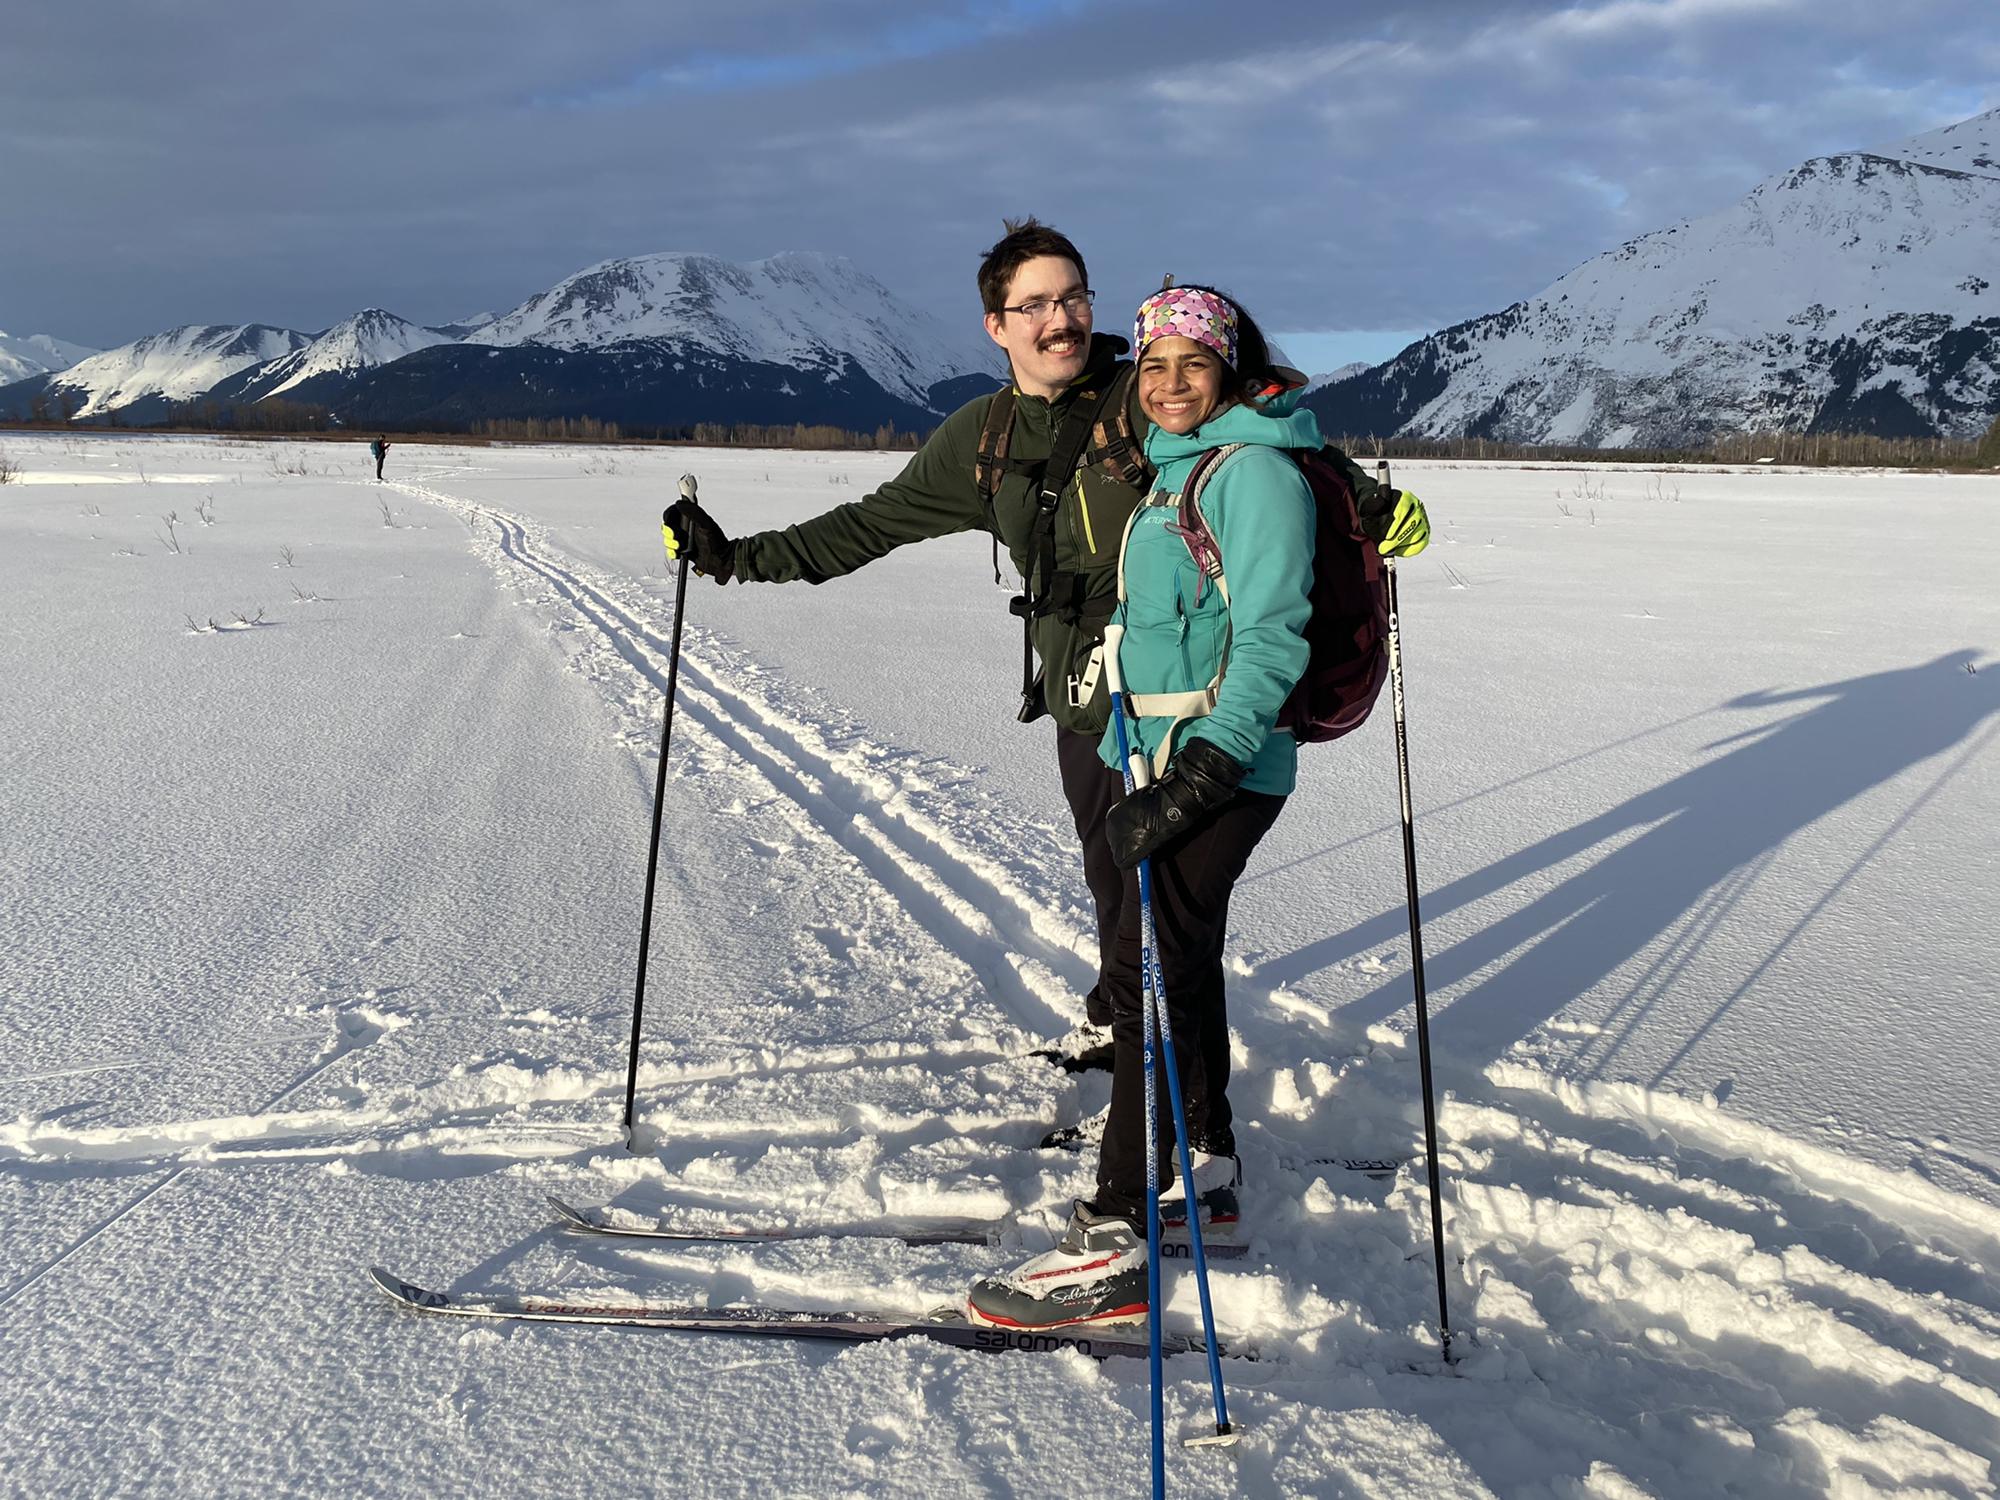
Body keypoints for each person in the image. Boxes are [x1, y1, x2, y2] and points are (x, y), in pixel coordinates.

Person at [963, 285, 1432, 1330]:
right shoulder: (1185, 463)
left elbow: (1272, 638)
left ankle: (1118, 1227)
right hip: (1173, 756)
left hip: (1219, 767)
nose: (1170, 382)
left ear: (1231, 369)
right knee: (1172, 960)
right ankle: (1205, 1177)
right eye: (1155, 363)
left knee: (1144, 984)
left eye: (1194, 363)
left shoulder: (1249, 472)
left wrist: (1200, 774)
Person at [665, 220, 1157, 1060]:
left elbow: (1267, 458)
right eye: (1034, 303)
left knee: (1157, 896)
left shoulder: (1149, 397)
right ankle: (1119, 1027)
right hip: (1081, 693)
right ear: (997, 326)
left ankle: (1158, 1106)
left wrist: (1366, 514)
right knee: (1110, 877)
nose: (1060, 318)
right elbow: (869, 526)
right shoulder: (984, 437)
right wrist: (735, 558)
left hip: (1173, 687)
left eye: (1072, 296)